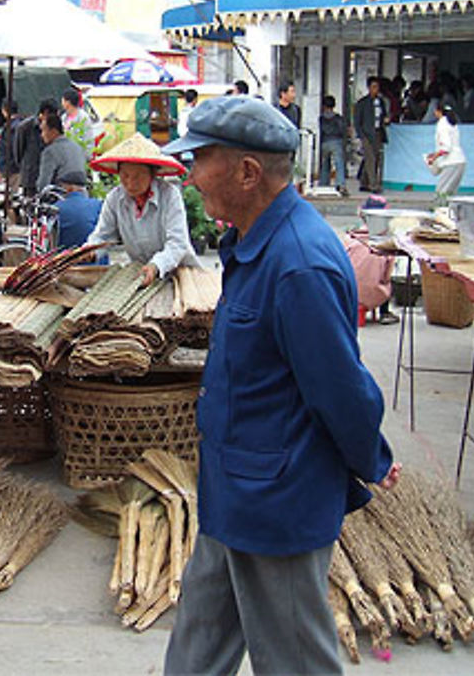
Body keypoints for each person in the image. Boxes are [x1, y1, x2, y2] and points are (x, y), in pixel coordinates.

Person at [161, 94, 400, 676]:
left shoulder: (298, 262)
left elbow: (340, 388)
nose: (191, 177)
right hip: (233, 488)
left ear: (247, 173)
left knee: (295, 660)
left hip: (277, 502)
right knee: (199, 645)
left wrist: (370, 455)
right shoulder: (254, 242)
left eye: (201, 161)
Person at [85, 132, 198, 287]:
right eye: (125, 176)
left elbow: (178, 244)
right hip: (141, 276)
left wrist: (156, 265)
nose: (131, 183)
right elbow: (103, 237)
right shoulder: (114, 199)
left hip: (181, 274)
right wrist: (89, 251)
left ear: (153, 174)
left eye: (138, 176)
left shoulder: (170, 195)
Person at [15, 98, 58, 197]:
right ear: (45, 113)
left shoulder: (54, 128)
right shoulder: (25, 127)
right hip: (31, 178)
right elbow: (18, 151)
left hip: (49, 178)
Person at [353, 76, 388, 193]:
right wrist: (361, 135)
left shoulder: (381, 102)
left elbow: (384, 116)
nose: (376, 90)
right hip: (367, 134)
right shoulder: (362, 103)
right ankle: (374, 185)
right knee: (370, 159)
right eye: (373, 87)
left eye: (377, 87)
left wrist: (386, 120)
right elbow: (357, 121)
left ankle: (364, 182)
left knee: (377, 158)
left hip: (378, 132)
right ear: (369, 88)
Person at [37, 113, 86, 192]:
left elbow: (43, 184)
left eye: (43, 131)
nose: (42, 135)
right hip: (82, 193)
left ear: (53, 131)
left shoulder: (50, 152)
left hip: (62, 196)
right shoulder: (77, 147)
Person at [426, 103, 467, 198]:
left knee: (441, 192)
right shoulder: (452, 123)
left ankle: (440, 209)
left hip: (451, 162)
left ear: (438, 111)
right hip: (459, 160)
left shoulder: (442, 124)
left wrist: (434, 157)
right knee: (450, 193)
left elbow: (446, 147)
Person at [55, 170, 102, 250]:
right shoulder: (97, 204)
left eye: (62, 187)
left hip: (65, 259)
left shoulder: (56, 207)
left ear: (70, 188)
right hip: (96, 258)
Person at [318, 95, 347, 196]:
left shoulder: (321, 118)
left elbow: (321, 130)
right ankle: (340, 184)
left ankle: (323, 183)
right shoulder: (338, 118)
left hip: (325, 142)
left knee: (325, 164)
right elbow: (342, 130)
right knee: (339, 164)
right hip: (336, 142)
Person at [60, 89, 94, 158]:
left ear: (68, 102)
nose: (62, 103)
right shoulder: (63, 117)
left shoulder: (83, 118)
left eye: (63, 101)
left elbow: (88, 139)